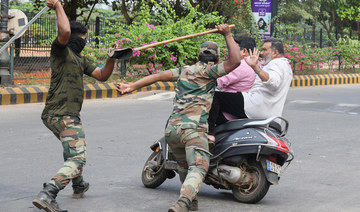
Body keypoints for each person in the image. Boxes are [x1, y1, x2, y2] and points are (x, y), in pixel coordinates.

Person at [117, 24, 241, 212]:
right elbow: (236, 61)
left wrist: (131, 87)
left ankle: (192, 201)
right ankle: (183, 202)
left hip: (172, 131)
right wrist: (228, 34)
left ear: (198, 57)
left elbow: (158, 76)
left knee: (184, 166)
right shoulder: (210, 71)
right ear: (215, 59)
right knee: (199, 166)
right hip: (193, 130)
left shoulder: (183, 70)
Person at [32, 0, 118, 211]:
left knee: (71, 150)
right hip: (63, 114)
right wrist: (59, 6)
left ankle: (78, 184)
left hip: (58, 115)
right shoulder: (61, 53)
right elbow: (64, 32)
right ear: (71, 38)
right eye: (81, 39)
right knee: (78, 157)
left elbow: (102, 75)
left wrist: (111, 58)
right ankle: (49, 192)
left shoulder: (80, 59)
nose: (83, 43)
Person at [208, 38, 293, 134]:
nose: (261, 52)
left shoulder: (276, 64)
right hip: (264, 109)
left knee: (213, 97)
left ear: (275, 52)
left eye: (265, 50)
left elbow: (273, 82)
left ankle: (210, 133)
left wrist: (255, 67)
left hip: (255, 105)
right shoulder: (285, 66)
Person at [208, 36, 256, 137]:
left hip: (230, 114)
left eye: (233, 49)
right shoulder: (255, 64)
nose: (230, 52)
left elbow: (219, 81)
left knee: (211, 97)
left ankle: (210, 134)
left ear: (244, 52)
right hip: (243, 107)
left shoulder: (240, 65)